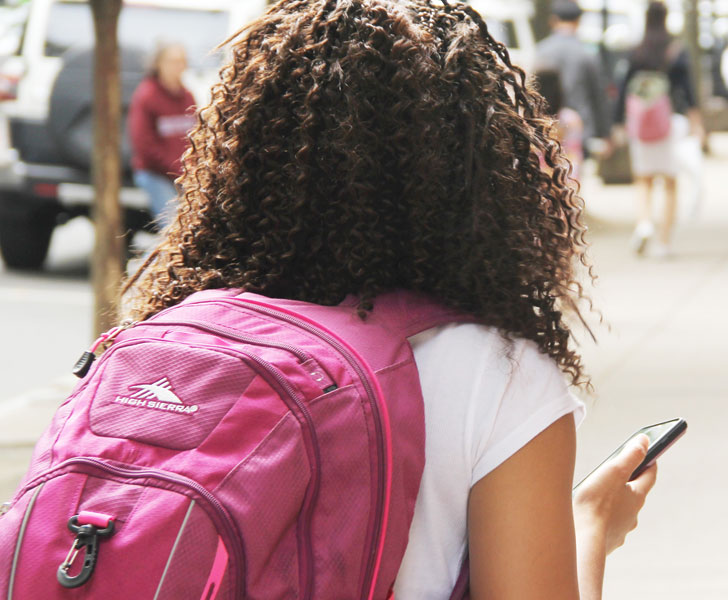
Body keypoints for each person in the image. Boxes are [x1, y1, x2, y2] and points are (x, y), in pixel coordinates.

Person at [124, 1, 657, 597]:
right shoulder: (495, 377)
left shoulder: (172, 338)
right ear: (479, 162)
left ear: (245, 151)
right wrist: (589, 525)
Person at [614, 1, 703, 258]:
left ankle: (643, 223)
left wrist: (618, 122)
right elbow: (688, 91)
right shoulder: (675, 51)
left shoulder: (636, 51)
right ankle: (664, 243)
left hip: (640, 125)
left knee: (643, 179)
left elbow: (622, 90)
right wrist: (697, 123)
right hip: (670, 124)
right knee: (670, 183)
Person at [128, 42, 196, 230]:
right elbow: (144, 146)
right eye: (172, 61)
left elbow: (196, 137)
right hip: (156, 173)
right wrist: (177, 170)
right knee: (175, 228)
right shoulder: (147, 96)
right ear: (158, 64)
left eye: (181, 61)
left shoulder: (187, 96)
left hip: (185, 174)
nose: (178, 66)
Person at [536, 0, 612, 155]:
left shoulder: (541, 51)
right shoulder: (587, 54)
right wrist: (605, 133)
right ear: (579, 21)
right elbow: (598, 95)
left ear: (553, 20)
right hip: (580, 129)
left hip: (546, 127)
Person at [534, 68, 585, 181]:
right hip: (564, 183)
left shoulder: (528, 122)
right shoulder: (570, 119)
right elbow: (574, 157)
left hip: (536, 184)